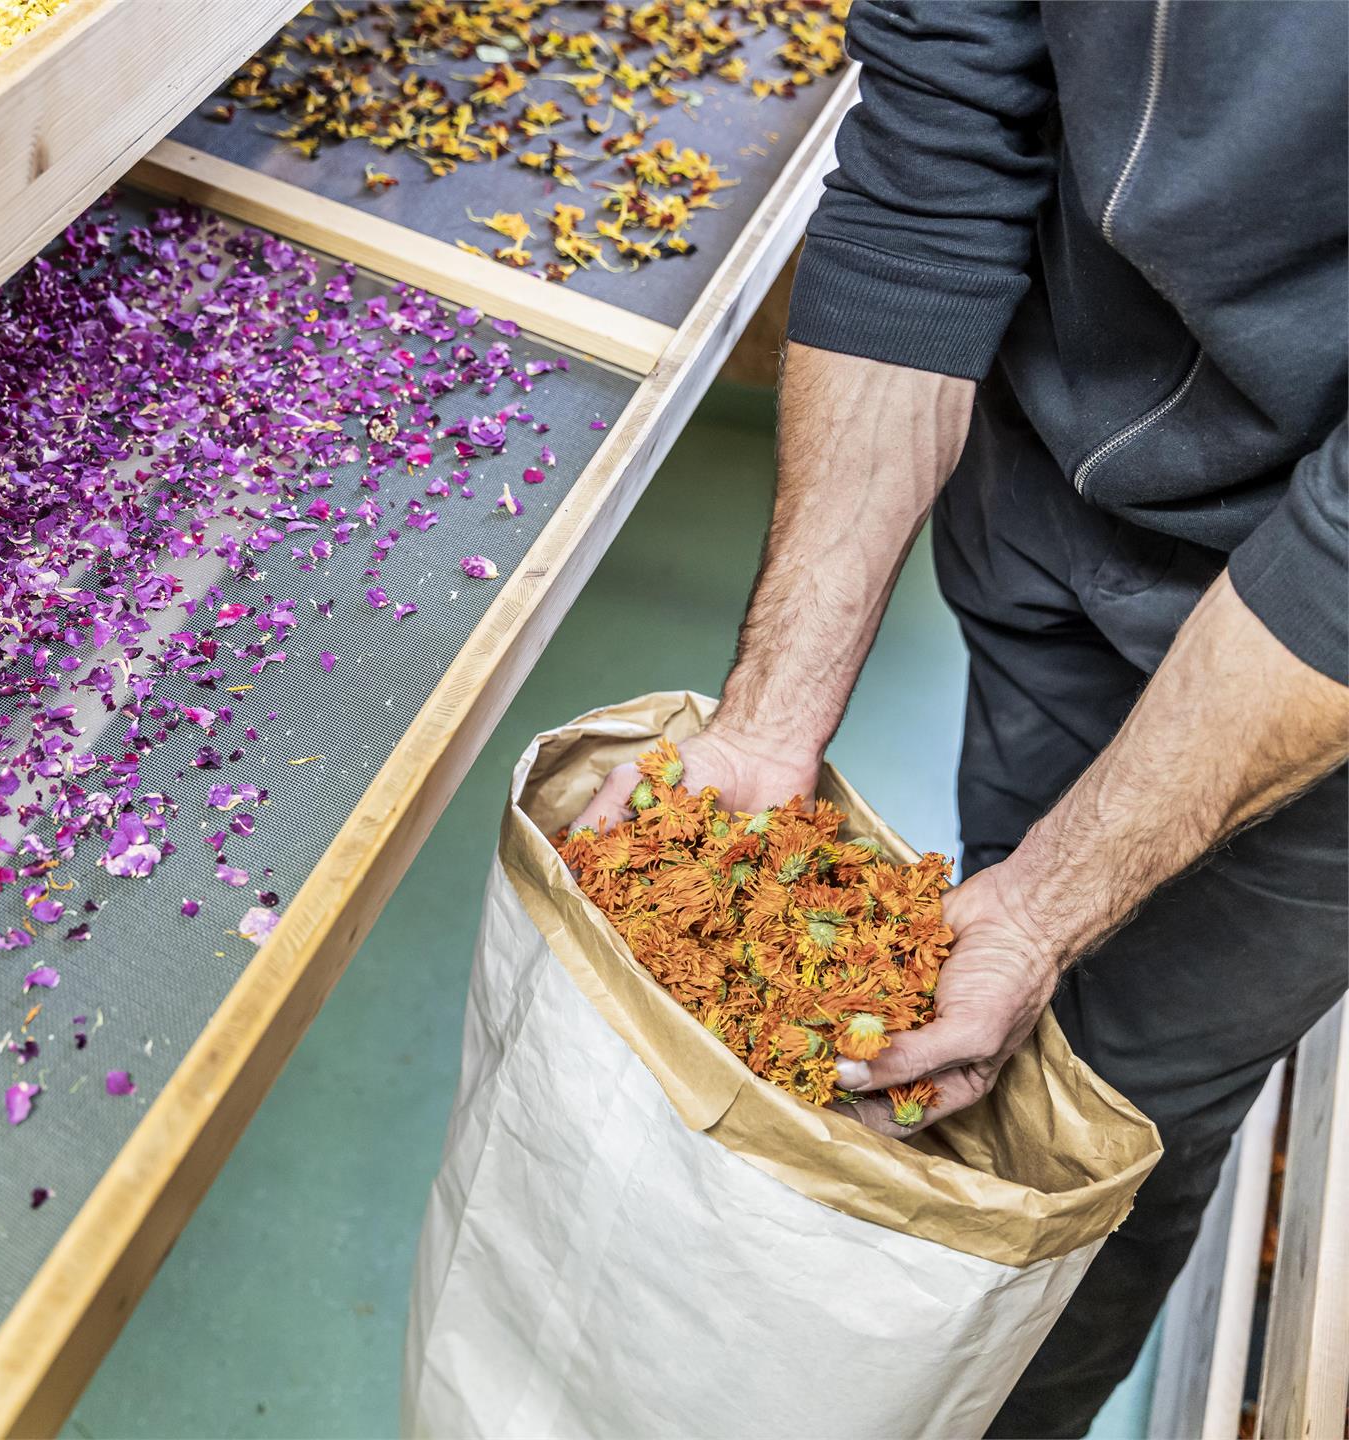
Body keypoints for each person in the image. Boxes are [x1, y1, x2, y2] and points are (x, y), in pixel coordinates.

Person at [571, 2, 1348, 1433]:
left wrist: (1050, 908)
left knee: (1114, 1126)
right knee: (958, 997)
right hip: (1062, 467)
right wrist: (766, 717)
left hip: (1328, 675)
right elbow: (937, 159)